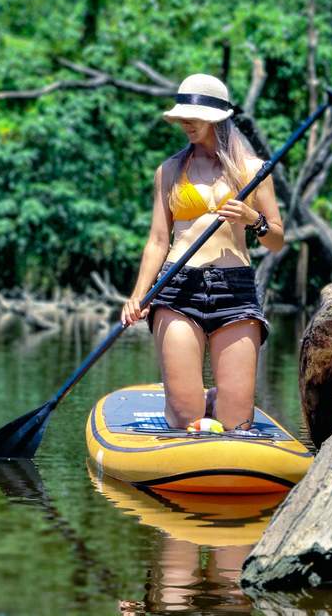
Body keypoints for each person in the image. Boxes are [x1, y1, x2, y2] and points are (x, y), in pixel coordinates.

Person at [120, 73, 285, 432]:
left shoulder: (254, 171)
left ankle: (216, 401)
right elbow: (157, 241)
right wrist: (137, 295)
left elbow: (276, 239)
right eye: (182, 117)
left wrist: (253, 219)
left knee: (236, 423)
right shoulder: (169, 171)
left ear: (217, 118)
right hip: (177, 286)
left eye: (192, 118)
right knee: (184, 420)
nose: (185, 124)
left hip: (235, 289)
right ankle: (191, 404)